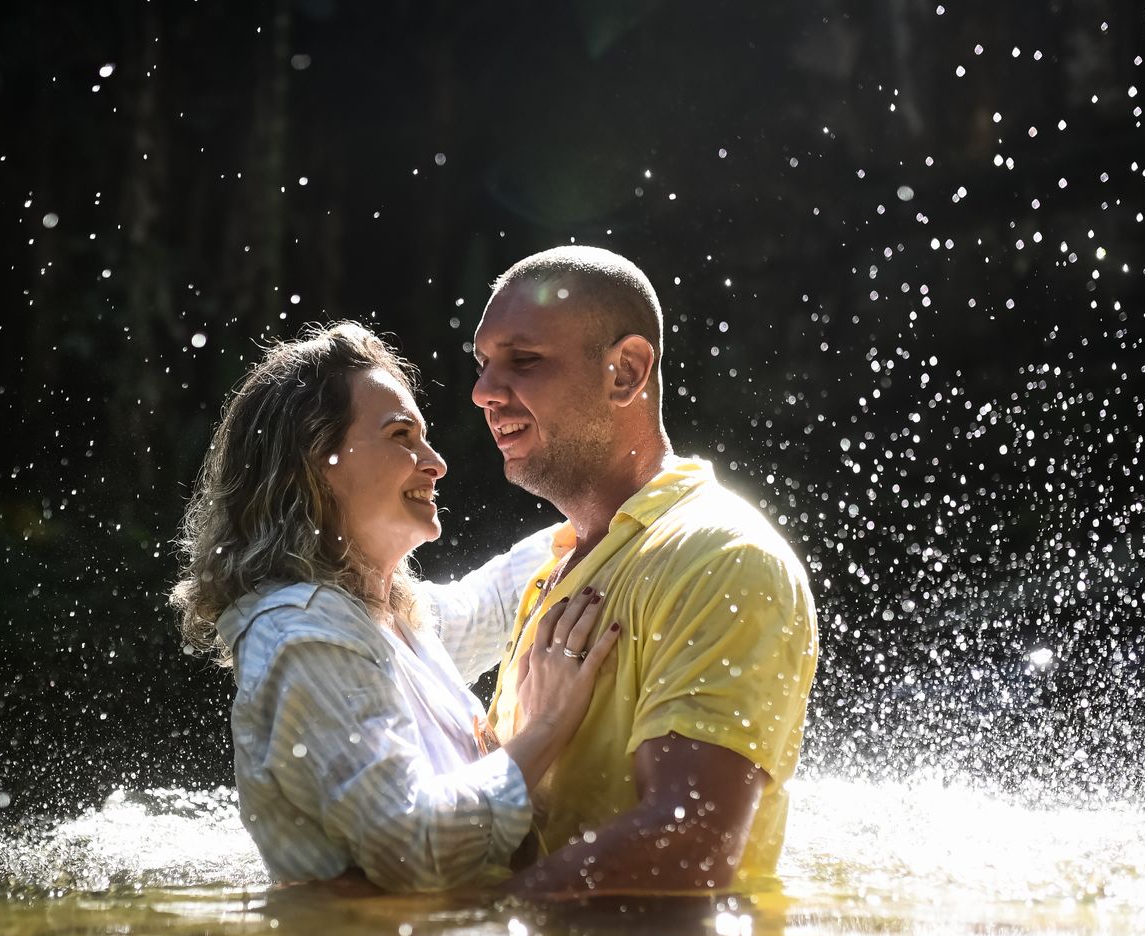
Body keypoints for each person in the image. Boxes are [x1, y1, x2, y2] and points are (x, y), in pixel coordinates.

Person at [170, 321, 618, 892]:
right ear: (316, 461)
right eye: (402, 435)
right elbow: (414, 848)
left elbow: (494, 600)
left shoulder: (384, 618)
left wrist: (620, 509)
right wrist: (549, 725)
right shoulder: (302, 635)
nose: (435, 462)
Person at [470, 246, 818, 894]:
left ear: (625, 371)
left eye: (524, 361)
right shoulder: (558, 561)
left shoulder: (721, 557)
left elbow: (691, 842)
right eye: (483, 364)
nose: (484, 392)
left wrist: (463, 928)